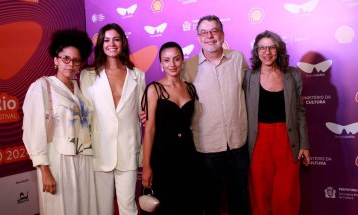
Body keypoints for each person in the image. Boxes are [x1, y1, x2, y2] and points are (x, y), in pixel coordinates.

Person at [22, 29, 96, 215]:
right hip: (58, 162)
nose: (70, 64)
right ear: (56, 59)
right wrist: (44, 170)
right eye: (65, 58)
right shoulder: (42, 86)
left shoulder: (81, 89)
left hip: (84, 162)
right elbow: (33, 130)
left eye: (76, 60)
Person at [182, 15, 250, 215]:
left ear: (222, 34)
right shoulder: (187, 67)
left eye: (214, 31)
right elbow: (173, 97)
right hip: (206, 148)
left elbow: (254, 92)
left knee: (239, 202)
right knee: (211, 204)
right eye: (204, 32)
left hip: (237, 145)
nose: (210, 36)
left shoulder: (238, 59)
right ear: (198, 37)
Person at [80, 23, 145, 215]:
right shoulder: (88, 75)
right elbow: (85, 115)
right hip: (99, 152)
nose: (112, 44)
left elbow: (143, 111)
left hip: (128, 149)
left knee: (129, 208)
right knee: (102, 209)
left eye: (116, 39)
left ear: (123, 42)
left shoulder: (138, 75)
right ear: (100, 44)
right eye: (106, 40)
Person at [244, 30, 310, 215]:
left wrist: (304, 144)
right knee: (260, 194)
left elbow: (299, 111)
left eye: (272, 47)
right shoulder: (248, 77)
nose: (267, 52)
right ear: (257, 52)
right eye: (262, 48)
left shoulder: (292, 75)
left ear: (279, 50)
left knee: (286, 195)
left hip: (288, 142)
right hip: (258, 143)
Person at [141, 41, 202, 214]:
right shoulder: (154, 89)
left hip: (188, 155)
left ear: (183, 61)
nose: (172, 64)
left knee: (188, 204)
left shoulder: (190, 88)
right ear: (161, 64)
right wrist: (146, 167)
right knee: (166, 205)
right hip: (163, 157)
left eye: (176, 59)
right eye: (166, 60)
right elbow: (149, 129)